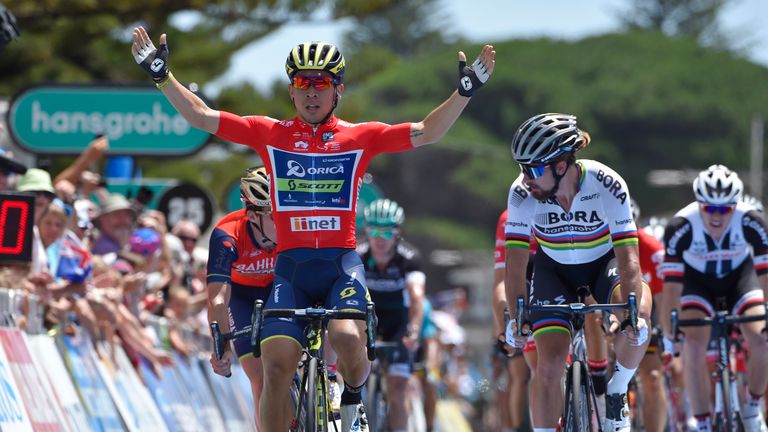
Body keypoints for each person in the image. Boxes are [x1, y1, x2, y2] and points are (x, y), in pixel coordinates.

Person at [131, 26, 494, 432]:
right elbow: (200, 116)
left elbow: (428, 132)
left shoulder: (360, 137)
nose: (311, 91)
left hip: (340, 264)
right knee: (275, 367)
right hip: (292, 269)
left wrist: (464, 92)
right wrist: (163, 77)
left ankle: (353, 399)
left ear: (338, 89)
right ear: (291, 90)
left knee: (349, 339)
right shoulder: (270, 134)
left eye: (321, 83)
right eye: (302, 82)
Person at [503, 113, 652, 432]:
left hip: (604, 265)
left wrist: (629, 311)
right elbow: (515, 265)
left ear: (561, 165)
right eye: (522, 168)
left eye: (533, 169)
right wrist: (515, 317)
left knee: (639, 312)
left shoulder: (607, 183)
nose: (526, 177)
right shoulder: (521, 194)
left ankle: (617, 389)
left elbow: (628, 259)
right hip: (552, 271)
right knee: (549, 367)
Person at [660, 164, 768, 432]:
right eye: (709, 208)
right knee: (693, 346)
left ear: (735, 206)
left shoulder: (752, 220)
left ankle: (753, 410)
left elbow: (766, 278)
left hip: (740, 280)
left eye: (724, 209)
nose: (717, 216)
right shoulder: (681, 226)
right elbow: (671, 290)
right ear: (699, 204)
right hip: (697, 284)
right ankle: (704, 422)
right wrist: (669, 335)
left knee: (762, 339)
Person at [206, 166, 277, 429]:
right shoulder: (227, 234)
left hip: (279, 289)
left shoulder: (293, 226)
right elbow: (217, 299)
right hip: (242, 297)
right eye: (273, 216)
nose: (282, 222)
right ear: (252, 215)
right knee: (258, 375)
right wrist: (221, 348)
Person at [357, 198, 425, 432]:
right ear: (366, 229)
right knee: (355, 379)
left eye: (387, 233)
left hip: (399, 323)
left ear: (398, 232)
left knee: (397, 388)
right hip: (368, 320)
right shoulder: (359, 254)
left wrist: (414, 330)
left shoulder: (409, 258)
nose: (380, 239)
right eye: (374, 231)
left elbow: (417, 298)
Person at [629, 198, 668, 432]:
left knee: (652, 378)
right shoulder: (601, 245)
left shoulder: (653, 249)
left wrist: (661, 330)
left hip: (648, 318)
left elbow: (664, 298)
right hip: (613, 317)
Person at [491, 209, 531, 432]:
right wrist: (503, 326)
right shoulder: (509, 218)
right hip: (518, 297)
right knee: (520, 373)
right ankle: (516, 428)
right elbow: (500, 282)